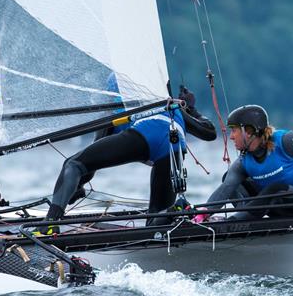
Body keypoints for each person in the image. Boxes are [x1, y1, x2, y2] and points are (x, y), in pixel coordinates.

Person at [46, 86, 216, 227]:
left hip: (146, 131)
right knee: (156, 220)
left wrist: (78, 185)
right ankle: (174, 210)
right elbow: (209, 132)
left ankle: (50, 224)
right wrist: (192, 109)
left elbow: (89, 164)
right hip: (175, 144)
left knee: (73, 163)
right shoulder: (170, 105)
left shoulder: (112, 108)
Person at [206, 104, 293, 220]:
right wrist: (204, 213)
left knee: (276, 188)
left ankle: (236, 220)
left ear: (249, 131)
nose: (231, 136)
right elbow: (226, 188)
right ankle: (244, 215)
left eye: (234, 130)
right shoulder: (243, 162)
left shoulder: (285, 141)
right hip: (281, 207)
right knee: (228, 179)